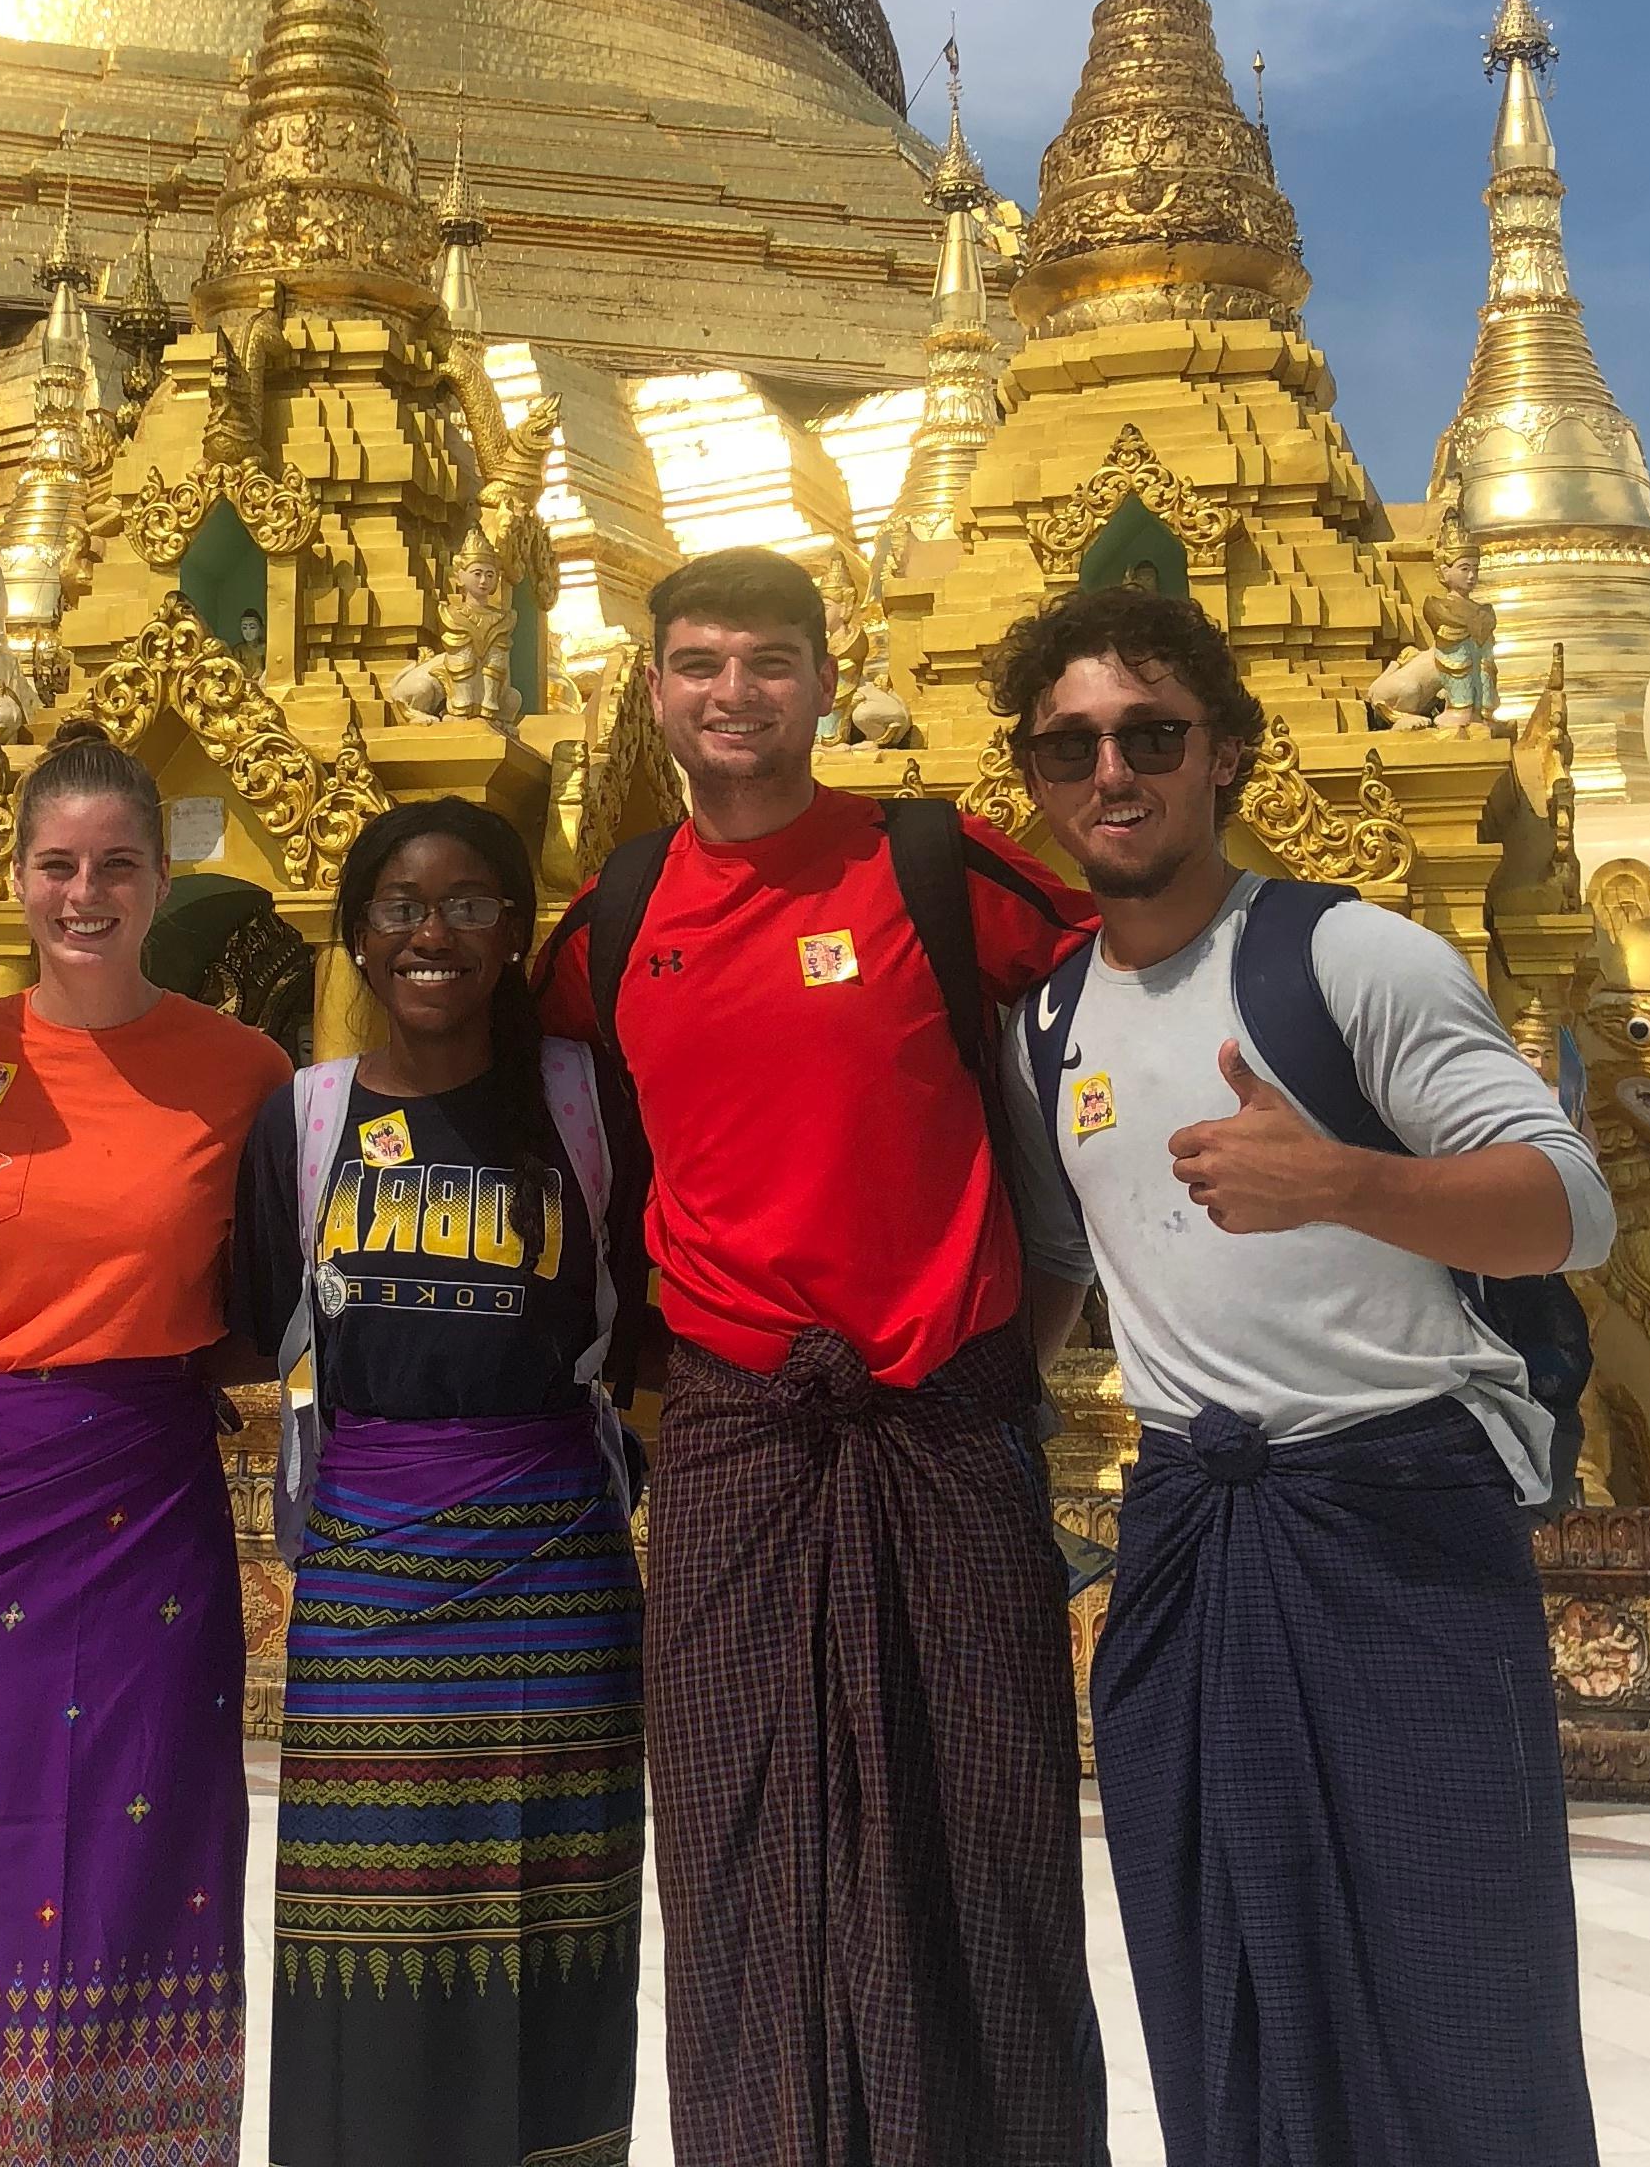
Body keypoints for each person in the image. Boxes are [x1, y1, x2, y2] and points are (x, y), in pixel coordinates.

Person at [992, 581, 1608, 2167]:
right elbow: (1064, 1264)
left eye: (1151, 736)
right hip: (1194, 1528)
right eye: (1070, 748)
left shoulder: (1351, 958)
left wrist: (1343, 1181)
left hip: (1395, 1512)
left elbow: (1567, 1206)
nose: (1110, 775)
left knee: (1457, 1976)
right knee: (1222, 1971)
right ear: (1034, 779)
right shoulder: (1049, 1023)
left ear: (1228, 755)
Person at [535, 545, 1108, 2167]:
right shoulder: (616, 919)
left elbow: (1115, 996)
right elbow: (517, 1092)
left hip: (940, 1416)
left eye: (769, 662)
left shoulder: (934, 866)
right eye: (701, 665)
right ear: (654, 692)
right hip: (732, 1430)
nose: (735, 695)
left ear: (823, 676)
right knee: (735, 1846)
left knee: (982, 1838)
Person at [0, 721, 286, 2166]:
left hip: (141, 1502)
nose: (83, 894)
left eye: (116, 867)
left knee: (138, 1853)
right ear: (16, 877)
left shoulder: (246, 1074)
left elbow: (274, 1297)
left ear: (163, 880)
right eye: (57, 866)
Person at [230, 798, 645, 2167]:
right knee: (368, 1927)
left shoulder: (584, 1102)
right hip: (368, 1574)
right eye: (402, 905)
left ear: (515, 933)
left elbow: (648, 1317)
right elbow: (257, 1329)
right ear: (357, 931)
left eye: (471, 904)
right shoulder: (299, 1121)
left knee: (548, 1923)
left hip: (556, 1574)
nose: (433, 933)